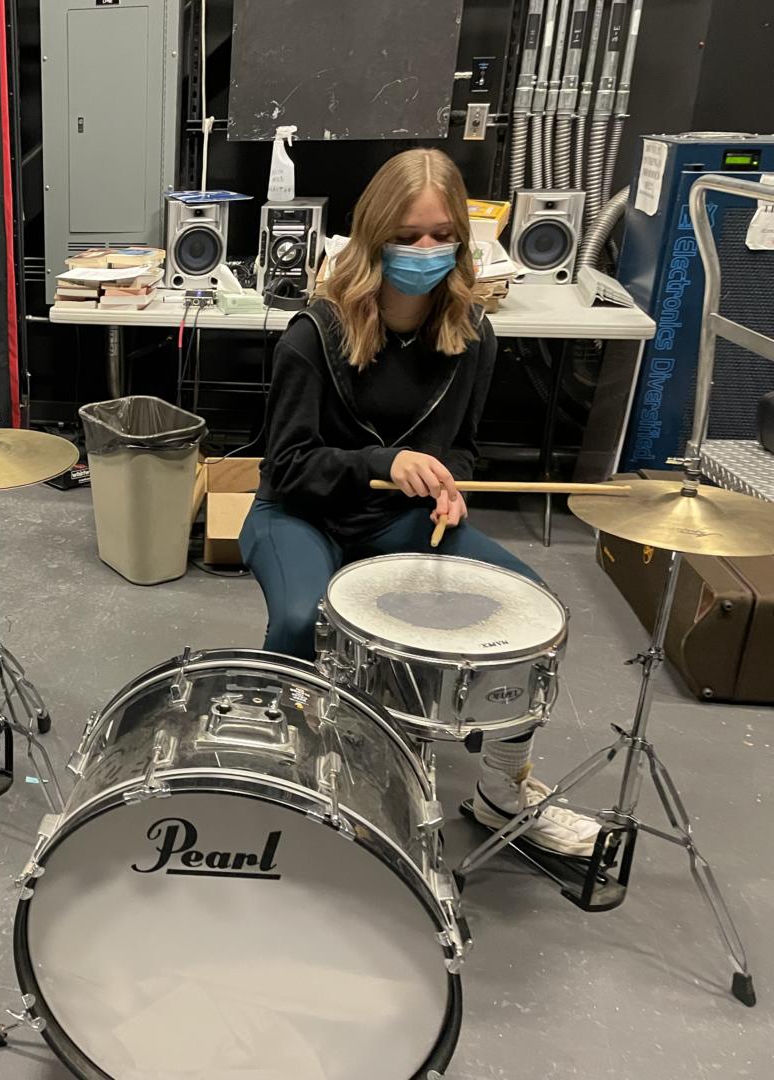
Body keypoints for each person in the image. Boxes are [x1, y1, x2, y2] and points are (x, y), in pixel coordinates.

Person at [239, 148, 597, 858]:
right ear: (375, 237)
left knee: (530, 611)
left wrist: (445, 487)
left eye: (442, 235)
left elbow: (461, 450)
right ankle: (275, 774)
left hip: (395, 522)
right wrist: (385, 461)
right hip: (299, 514)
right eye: (408, 235)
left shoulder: (473, 338)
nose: (427, 250)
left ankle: (502, 788)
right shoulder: (314, 335)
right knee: (298, 619)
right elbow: (287, 464)